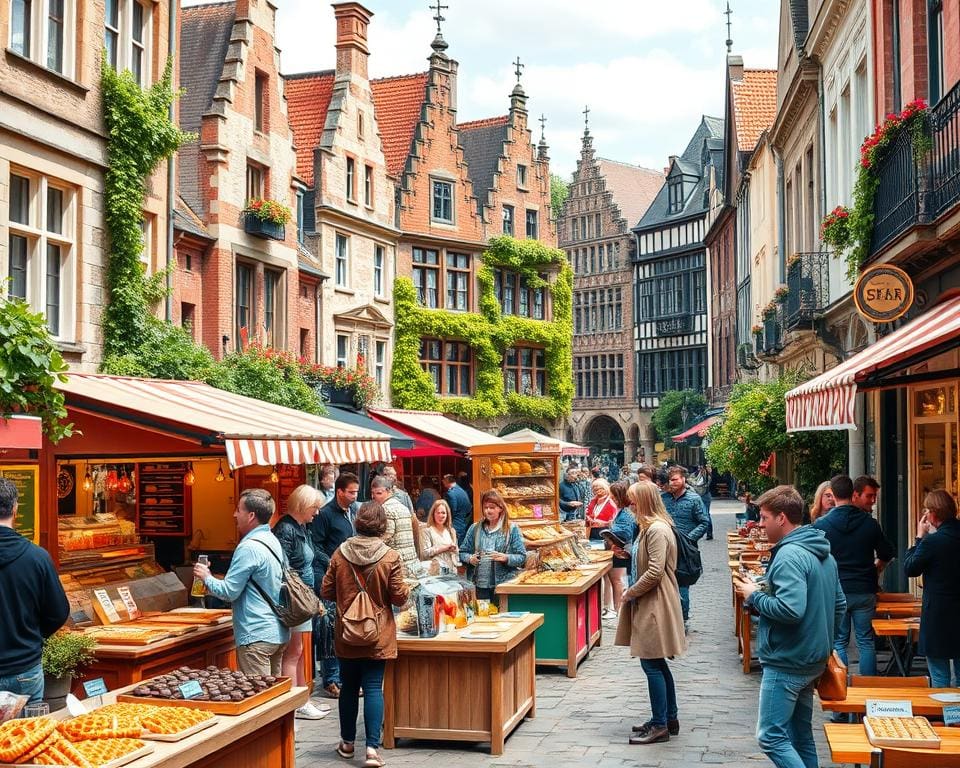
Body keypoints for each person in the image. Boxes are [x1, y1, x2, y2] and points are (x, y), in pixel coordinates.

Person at [734, 485, 845, 768]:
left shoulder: (788, 555)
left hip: (788, 660)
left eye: (764, 518)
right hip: (812, 659)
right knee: (800, 736)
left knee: (771, 737)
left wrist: (754, 595)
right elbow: (839, 604)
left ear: (781, 518)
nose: (760, 524)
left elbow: (790, 609)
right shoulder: (823, 552)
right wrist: (825, 642)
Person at [321, 502, 409, 768]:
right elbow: (399, 596)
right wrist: (404, 589)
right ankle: (371, 749)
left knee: (348, 686)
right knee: (372, 687)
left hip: (347, 632)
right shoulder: (390, 556)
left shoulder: (340, 553)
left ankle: (347, 744)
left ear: (358, 522)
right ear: (382, 525)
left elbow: (326, 591)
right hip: (378, 632)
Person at [616, 481, 686, 745]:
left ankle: (660, 724)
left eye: (633, 501)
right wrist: (625, 553)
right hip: (651, 599)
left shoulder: (656, 529)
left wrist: (631, 591)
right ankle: (668, 717)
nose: (630, 505)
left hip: (655, 601)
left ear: (644, 501)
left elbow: (655, 571)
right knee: (656, 662)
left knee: (651, 661)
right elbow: (648, 562)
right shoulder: (650, 527)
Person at [195, 488, 289, 676]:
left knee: (259, 699)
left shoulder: (248, 547)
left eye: (238, 509)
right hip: (276, 630)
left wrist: (206, 577)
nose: (234, 514)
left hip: (256, 634)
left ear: (251, 515)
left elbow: (229, 592)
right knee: (273, 698)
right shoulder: (271, 540)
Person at [813, 475, 894, 678]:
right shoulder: (869, 524)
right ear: (853, 494)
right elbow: (886, 552)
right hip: (864, 588)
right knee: (865, 640)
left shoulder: (822, 525)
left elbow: (815, 558)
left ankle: (841, 686)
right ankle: (868, 687)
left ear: (833, 493)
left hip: (836, 589)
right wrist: (876, 568)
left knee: (839, 641)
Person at [0, 478, 69, 704]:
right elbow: (58, 612)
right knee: (28, 737)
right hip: (25, 668)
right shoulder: (37, 557)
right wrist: (32, 635)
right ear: (16, 508)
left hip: (25, 663)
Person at [273, 484, 328, 720]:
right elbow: (284, 566)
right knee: (295, 650)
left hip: (303, 595)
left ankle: (302, 697)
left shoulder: (301, 527)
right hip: (295, 598)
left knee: (300, 649)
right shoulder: (286, 529)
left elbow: (313, 554)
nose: (317, 513)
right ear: (304, 505)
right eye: (314, 508)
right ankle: (296, 702)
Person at [311, 471, 361, 698]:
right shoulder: (325, 515)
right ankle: (331, 679)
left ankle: (344, 677)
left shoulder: (352, 511)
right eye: (351, 492)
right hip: (330, 578)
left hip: (349, 579)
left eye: (356, 492)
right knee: (330, 629)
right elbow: (315, 546)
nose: (354, 496)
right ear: (339, 491)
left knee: (345, 629)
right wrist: (333, 561)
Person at [903, 489, 960, 687]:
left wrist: (920, 537)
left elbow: (910, 568)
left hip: (938, 616)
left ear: (933, 514)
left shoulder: (933, 542)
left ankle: (946, 717)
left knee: (940, 678)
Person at [661, 467, 709, 627]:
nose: (671, 483)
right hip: (665, 547)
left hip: (685, 549)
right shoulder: (663, 499)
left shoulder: (694, 499)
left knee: (682, 583)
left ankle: (682, 619)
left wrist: (688, 539)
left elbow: (704, 522)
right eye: (669, 480)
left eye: (675, 479)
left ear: (683, 479)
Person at [460, 490, 526, 602]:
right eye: (485, 508)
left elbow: (522, 557)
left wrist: (506, 558)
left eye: (492, 507)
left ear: (500, 508)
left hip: (503, 585)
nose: (488, 511)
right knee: (484, 617)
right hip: (479, 586)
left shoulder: (512, 529)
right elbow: (462, 552)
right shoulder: (475, 528)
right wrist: (470, 559)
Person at [370, 475, 426, 580]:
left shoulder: (385, 509)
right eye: (373, 493)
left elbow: (386, 537)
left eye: (378, 493)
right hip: (412, 562)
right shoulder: (403, 507)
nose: (374, 497)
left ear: (389, 491)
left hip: (397, 565)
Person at [605, 481, 636, 622]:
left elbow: (626, 533)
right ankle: (619, 610)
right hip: (621, 550)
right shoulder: (623, 511)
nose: (611, 500)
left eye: (612, 497)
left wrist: (611, 533)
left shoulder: (627, 513)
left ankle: (620, 611)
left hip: (625, 552)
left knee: (621, 580)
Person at [421, 499, 459, 574]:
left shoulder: (451, 531)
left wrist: (455, 550)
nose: (440, 516)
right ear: (433, 514)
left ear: (447, 515)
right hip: (435, 572)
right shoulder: (427, 531)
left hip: (451, 571)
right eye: (438, 513)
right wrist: (445, 548)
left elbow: (457, 554)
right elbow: (425, 553)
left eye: (443, 513)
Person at [441, 473, 472, 544]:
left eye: (443, 481)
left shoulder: (451, 493)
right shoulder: (461, 490)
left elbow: (452, 510)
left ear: (446, 481)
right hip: (463, 522)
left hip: (455, 523)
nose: (443, 484)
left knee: (454, 545)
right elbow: (469, 507)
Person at [690, 465, 714, 540]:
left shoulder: (697, 475)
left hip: (701, 495)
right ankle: (709, 533)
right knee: (706, 514)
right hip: (706, 495)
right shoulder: (707, 476)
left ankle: (705, 532)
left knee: (703, 514)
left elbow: (692, 482)